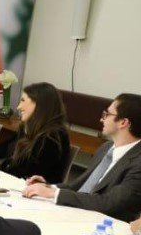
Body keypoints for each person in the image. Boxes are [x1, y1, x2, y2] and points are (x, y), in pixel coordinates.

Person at [23, 93, 141, 222]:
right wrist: (49, 187)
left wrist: (53, 194)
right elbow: (81, 187)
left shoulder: (138, 162)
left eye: (107, 114)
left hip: (103, 225)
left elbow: (109, 203)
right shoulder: (106, 148)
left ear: (123, 122)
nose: (102, 119)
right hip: (77, 212)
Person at [0, 82, 71, 184]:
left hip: (33, 188)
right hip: (17, 182)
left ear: (39, 104)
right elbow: (4, 149)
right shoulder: (28, 128)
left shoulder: (53, 136)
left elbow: (29, 172)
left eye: (23, 100)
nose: (18, 107)